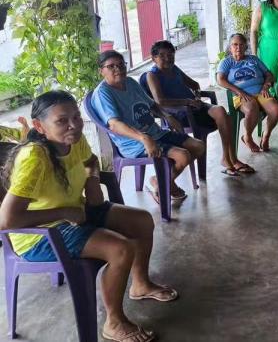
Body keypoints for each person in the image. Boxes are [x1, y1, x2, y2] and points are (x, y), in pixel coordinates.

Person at [0, 90, 176, 342]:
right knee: (121, 249)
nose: (73, 125)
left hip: (76, 213)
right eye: (61, 121)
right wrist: (63, 211)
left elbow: (90, 160)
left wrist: (92, 180)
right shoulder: (34, 158)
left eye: (77, 117)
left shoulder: (74, 139)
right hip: (39, 235)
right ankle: (114, 323)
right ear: (39, 126)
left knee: (142, 221)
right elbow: (6, 222)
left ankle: (140, 285)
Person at [91, 50, 205, 202]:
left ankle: (161, 182)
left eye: (120, 65)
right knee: (183, 156)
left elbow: (152, 105)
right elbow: (115, 125)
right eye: (111, 66)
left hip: (156, 133)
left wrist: (168, 116)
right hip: (134, 143)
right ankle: (164, 185)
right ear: (101, 71)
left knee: (198, 146)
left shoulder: (130, 82)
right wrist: (143, 138)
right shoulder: (103, 93)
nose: (118, 69)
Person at [146, 40, 254, 176]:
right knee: (225, 119)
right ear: (154, 58)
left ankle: (228, 158)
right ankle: (231, 160)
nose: (168, 58)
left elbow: (195, 84)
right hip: (180, 114)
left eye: (171, 55)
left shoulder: (174, 69)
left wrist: (196, 97)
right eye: (162, 55)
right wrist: (187, 101)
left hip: (195, 108)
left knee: (222, 112)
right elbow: (160, 101)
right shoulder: (152, 75)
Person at [217, 34, 278, 153]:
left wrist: (266, 85)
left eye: (241, 44)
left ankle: (266, 135)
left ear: (246, 46)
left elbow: (269, 74)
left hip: (260, 92)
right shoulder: (226, 62)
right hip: (240, 95)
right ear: (230, 47)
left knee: (276, 110)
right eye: (235, 45)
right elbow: (220, 80)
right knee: (252, 107)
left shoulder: (253, 59)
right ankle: (247, 137)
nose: (238, 47)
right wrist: (239, 91)